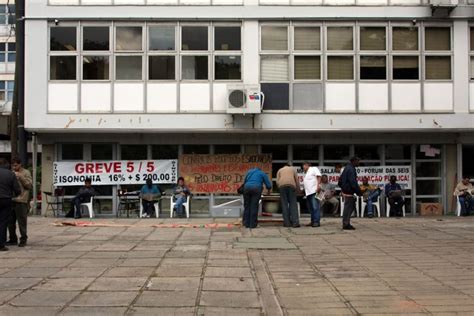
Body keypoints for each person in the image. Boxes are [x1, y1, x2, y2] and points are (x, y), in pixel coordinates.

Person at [7, 157, 33, 247]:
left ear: (20, 164)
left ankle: (23, 239)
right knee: (10, 222)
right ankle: (12, 239)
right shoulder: (10, 172)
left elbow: (29, 185)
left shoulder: (26, 172)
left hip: (21, 200)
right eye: (13, 165)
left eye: (16, 165)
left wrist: (20, 176)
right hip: (11, 199)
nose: (14, 167)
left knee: (22, 221)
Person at [0, 158, 21, 251]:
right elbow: (17, 190)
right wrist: (14, 195)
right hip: (5, 199)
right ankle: (1, 244)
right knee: (3, 222)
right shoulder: (10, 174)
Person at [338, 157, 362, 230]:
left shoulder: (347, 168)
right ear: (354, 161)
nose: (359, 163)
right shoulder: (351, 169)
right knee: (348, 207)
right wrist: (358, 191)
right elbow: (353, 182)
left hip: (347, 190)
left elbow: (340, 181)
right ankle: (346, 224)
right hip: (349, 191)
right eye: (358, 161)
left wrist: (343, 188)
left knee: (350, 206)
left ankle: (346, 223)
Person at [276, 164, 300, 228]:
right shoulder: (292, 169)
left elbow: (277, 181)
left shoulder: (280, 170)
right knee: (293, 204)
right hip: (291, 186)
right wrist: (298, 190)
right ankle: (295, 223)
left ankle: (287, 223)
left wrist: (280, 187)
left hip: (282, 186)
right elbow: (297, 180)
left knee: (284, 205)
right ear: (289, 166)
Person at [302, 162, 322, 227]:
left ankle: (316, 222)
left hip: (314, 191)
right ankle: (313, 221)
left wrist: (318, 186)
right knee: (311, 208)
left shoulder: (313, 168)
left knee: (315, 207)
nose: (303, 168)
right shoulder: (307, 173)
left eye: (303, 166)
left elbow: (319, 176)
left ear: (307, 165)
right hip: (308, 193)